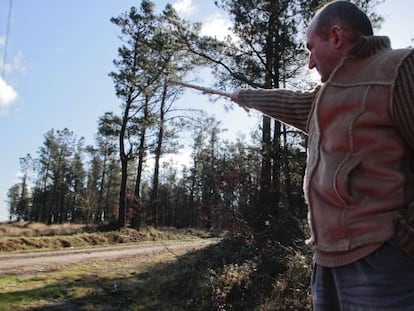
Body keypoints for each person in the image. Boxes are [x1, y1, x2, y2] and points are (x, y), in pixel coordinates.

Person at [231, 1, 414, 310]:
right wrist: (246, 96)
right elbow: (291, 103)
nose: (310, 63)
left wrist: (407, 239)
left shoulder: (400, 68)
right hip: (325, 261)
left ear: (336, 36)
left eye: (310, 49)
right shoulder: (324, 97)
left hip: (382, 261)